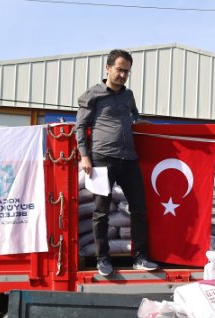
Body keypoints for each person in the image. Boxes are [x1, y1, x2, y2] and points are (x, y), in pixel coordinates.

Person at [75, 48, 158, 277]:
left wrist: (146, 125)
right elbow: (80, 126)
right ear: (108, 68)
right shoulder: (93, 95)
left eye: (127, 72)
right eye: (120, 70)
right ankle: (103, 259)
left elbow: (134, 117)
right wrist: (84, 156)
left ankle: (140, 257)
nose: (123, 75)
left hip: (129, 159)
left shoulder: (128, 96)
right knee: (101, 212)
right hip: (102, 160)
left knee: (139, 209)